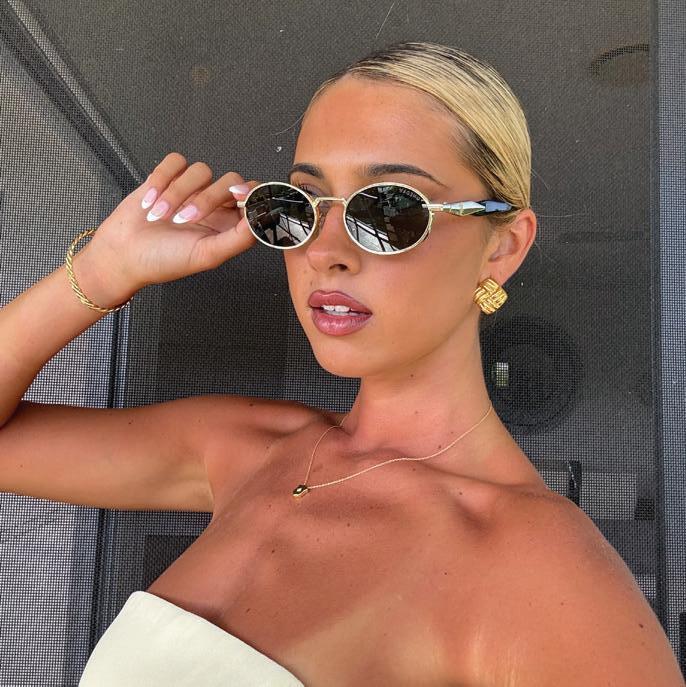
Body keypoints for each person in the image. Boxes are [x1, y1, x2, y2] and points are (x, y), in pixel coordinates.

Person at [0, 40, 683, 686]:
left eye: (388, 210)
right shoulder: (245, 447)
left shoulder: (534, 563)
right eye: (299, 204)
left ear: (501, 246)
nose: (325, 251)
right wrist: (104, 270)